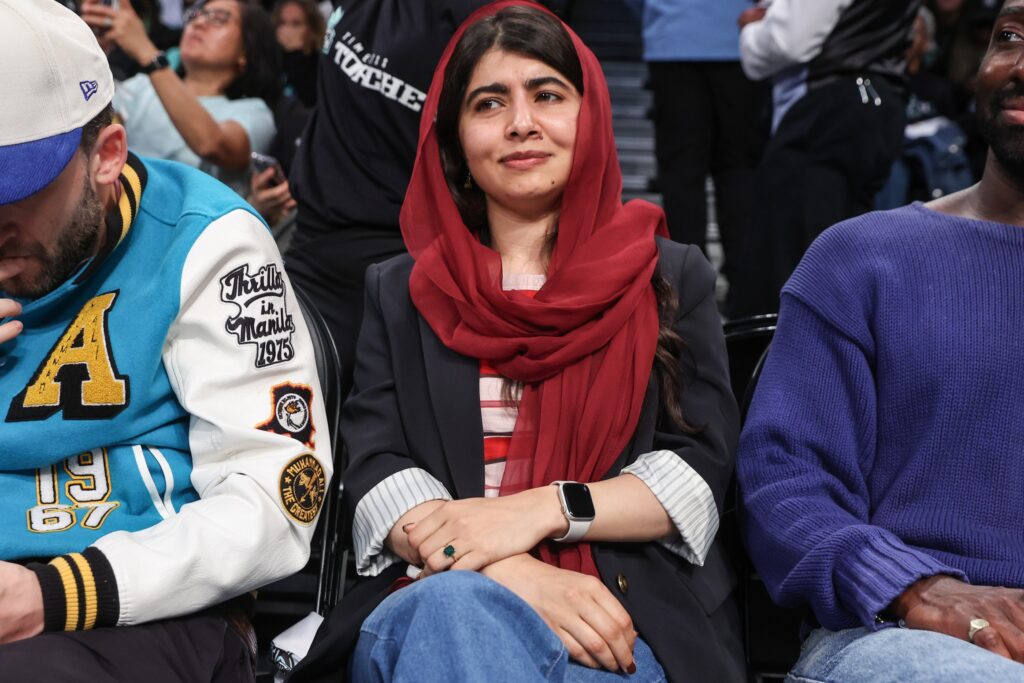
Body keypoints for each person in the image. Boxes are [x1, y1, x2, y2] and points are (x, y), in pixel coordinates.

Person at [288, 3, 743, 682]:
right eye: (489, 103)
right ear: (456, 143)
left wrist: (539, 512)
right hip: (431, 604)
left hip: (618, 621)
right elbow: (377, 472)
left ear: (589, 118)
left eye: (547, 95)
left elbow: (695, 475)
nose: (521, 123)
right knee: (454, 614)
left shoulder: (668, 275)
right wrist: (509, 568)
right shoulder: (403, 289)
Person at [0, 1, 332, 679]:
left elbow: (276, 497)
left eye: (15, 190)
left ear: (106, 158)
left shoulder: (206, 242)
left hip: (141, 600)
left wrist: (57, 593)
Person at [737, 2, 1024, 679]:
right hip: (896, 634)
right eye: (1010, 37)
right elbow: (784, 483)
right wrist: (918, 586)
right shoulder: (861, 258)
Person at [284, 0, 493, 399]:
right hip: (312, 255)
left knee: (379, 443)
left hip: (406, 270)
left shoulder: (485, 22)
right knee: (289, 434)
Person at [730, 0, 921, 317]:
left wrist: (752, 30)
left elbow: (787, 42)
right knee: (840, 258)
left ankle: (788, 364)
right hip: (877, 101)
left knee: (789, 266)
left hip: (831, 107)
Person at [625, 0, 767, 314]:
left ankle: (686, 292)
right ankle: (744, 294)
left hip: (673, 38)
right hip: (739, 37)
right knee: (740, 170)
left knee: (681, 175)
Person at [80, 0, 281, 198]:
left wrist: (147, 53)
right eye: (195, 15)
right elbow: (87, 120)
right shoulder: (143, 86)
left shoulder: (254, 111)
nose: (199, 22)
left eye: (219, 19)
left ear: (245, 52)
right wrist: (91, 48)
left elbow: (212, 144)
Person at [274, 0, 325, 108]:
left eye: (296, 24)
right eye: (282, 23)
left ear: (311, 29)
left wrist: (296, 53)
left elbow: (311, 100)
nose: (287, 30)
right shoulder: (272, 60)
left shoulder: (322, 62)